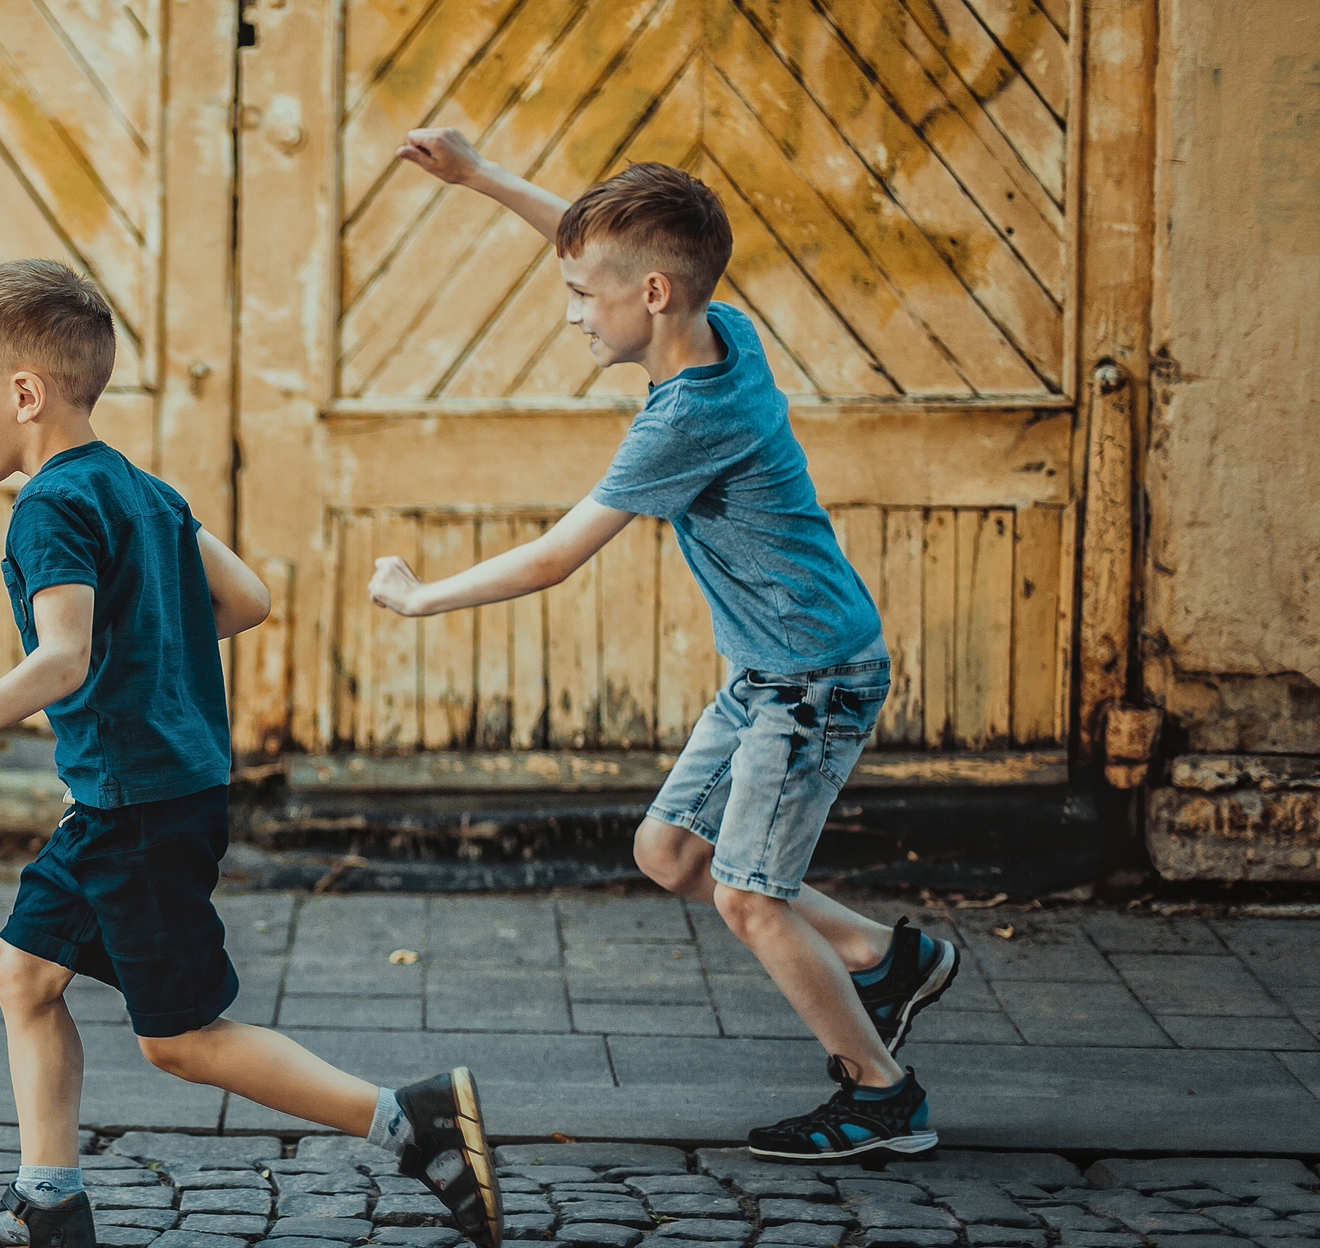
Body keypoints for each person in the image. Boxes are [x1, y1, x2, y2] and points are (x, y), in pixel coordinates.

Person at [0, 259, 503, 1248]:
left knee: (181, 1039)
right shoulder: (140, 489)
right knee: (23, 972)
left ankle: (408, 1121)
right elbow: (247, 600)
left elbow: (63, 657)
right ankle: (47, 1208)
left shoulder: (48, 508)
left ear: (22, 393)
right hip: (151, 793)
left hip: (134, 808)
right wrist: (151, 645)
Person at [367, 134, 959, 1165]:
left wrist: (424, 600)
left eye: (579, 298)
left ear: (650, 296)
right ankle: (883, 955)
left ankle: (883, 1095)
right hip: (775, 670)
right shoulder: (724, 328)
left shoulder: (685, 420)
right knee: (671, 853)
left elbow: (555, 558)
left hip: (813, 680)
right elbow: (607, 248)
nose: (570, 313)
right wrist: (478, 176)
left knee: (748, 897)